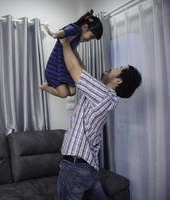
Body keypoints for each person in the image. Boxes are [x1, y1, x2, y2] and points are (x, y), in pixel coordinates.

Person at [57, 36, 142, 200]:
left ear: (117, 80)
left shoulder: (103, 94)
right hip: (88, 167)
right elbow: (80, 68)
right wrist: (73, 46)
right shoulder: (103, 94)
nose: (112, 67)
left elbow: (75, 70)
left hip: (75, 166)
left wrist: (65, 43)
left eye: (117, 68)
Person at [39, 10, 103, 98]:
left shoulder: (77, 38)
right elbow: (66, 31)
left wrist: (82, 65)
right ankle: (44, 87)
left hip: (63, 68)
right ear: (84, 27)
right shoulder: (75, 29)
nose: (89, 40)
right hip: (55, 68)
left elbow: (74, 51)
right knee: (64, 94)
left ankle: (51, 85)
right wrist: (54, 34)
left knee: (72, 92)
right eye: (91, 37)